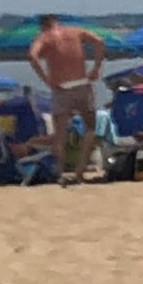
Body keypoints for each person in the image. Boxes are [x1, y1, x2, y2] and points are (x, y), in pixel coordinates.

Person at [29, 14, 107, 185]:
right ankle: (80, 169)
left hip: (61, 88)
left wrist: (46, 79)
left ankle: (61, 172)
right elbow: (99, 41)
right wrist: (96, 68)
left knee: (60, 134)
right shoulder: (75, 32)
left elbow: (33, 56)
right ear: (57, 22)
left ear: (43, 25)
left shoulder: (45, 37)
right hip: (82, 84)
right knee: (91, 128)